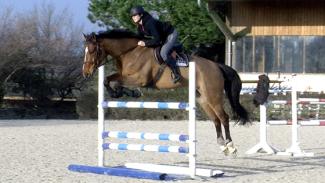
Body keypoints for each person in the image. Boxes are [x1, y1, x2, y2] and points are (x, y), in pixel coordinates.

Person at [130, 6, 181, 83]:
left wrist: (145, 43)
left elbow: (157, 40)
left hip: (170, 33)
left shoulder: (150, 23)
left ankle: (176, 73)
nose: (133, 17)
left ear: (141, 15)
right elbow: (140, 38)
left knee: (163, 53)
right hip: (162, 37)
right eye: (132, 16)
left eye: (135, 15)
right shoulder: (140, 27)